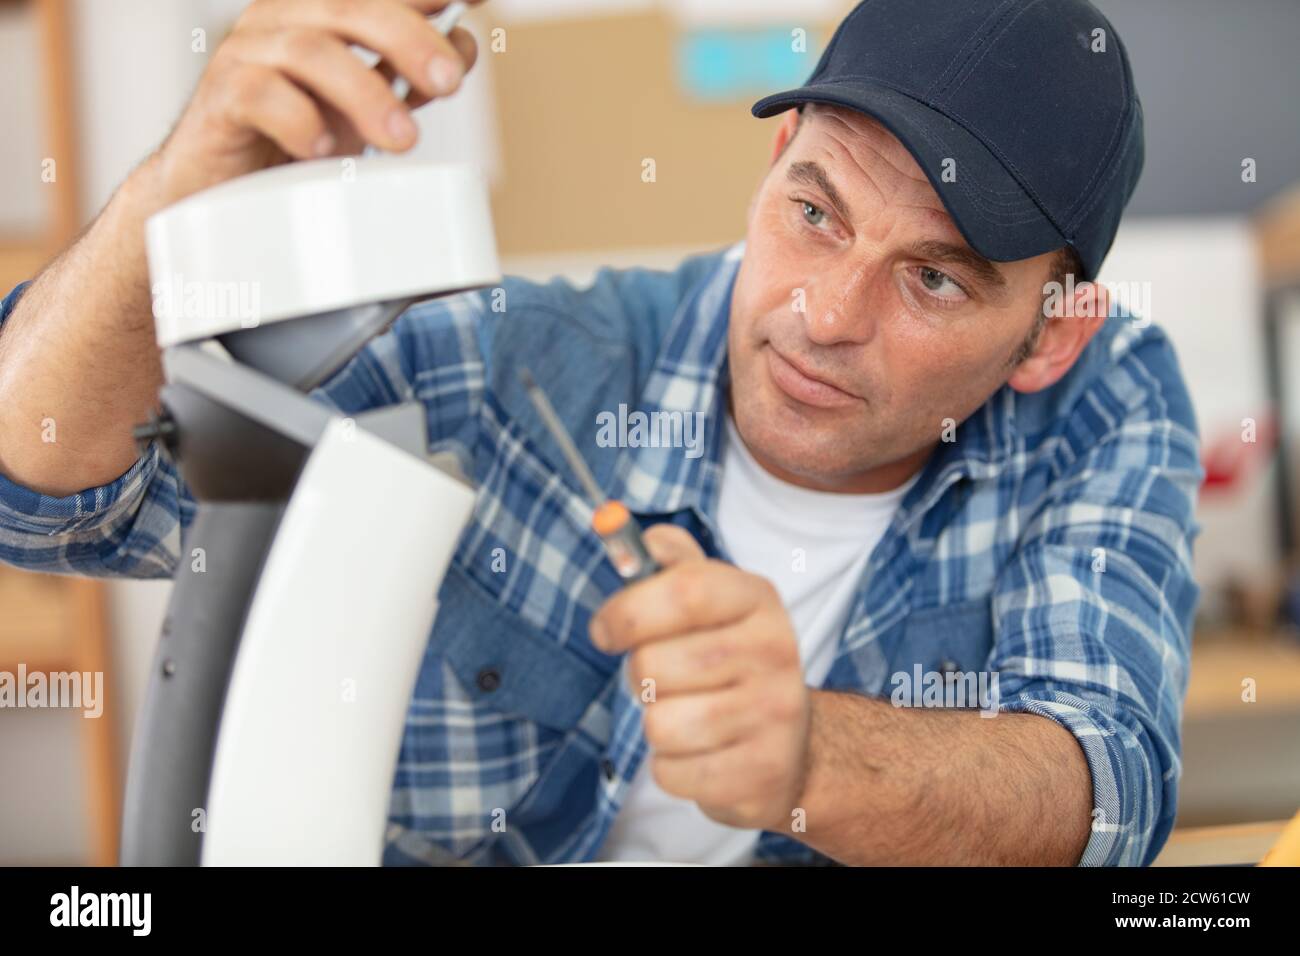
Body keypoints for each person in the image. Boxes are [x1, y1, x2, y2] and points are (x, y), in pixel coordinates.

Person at [0, 0, 1199, 866]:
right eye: (815, 211)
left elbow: (1107, 790)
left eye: (934, 279)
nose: (823, 316)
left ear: (1052, 332)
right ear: (773, 161)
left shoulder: (1097, 403)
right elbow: (49, 496)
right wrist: (180, 188)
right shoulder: (519, 365)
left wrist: (812, 761)